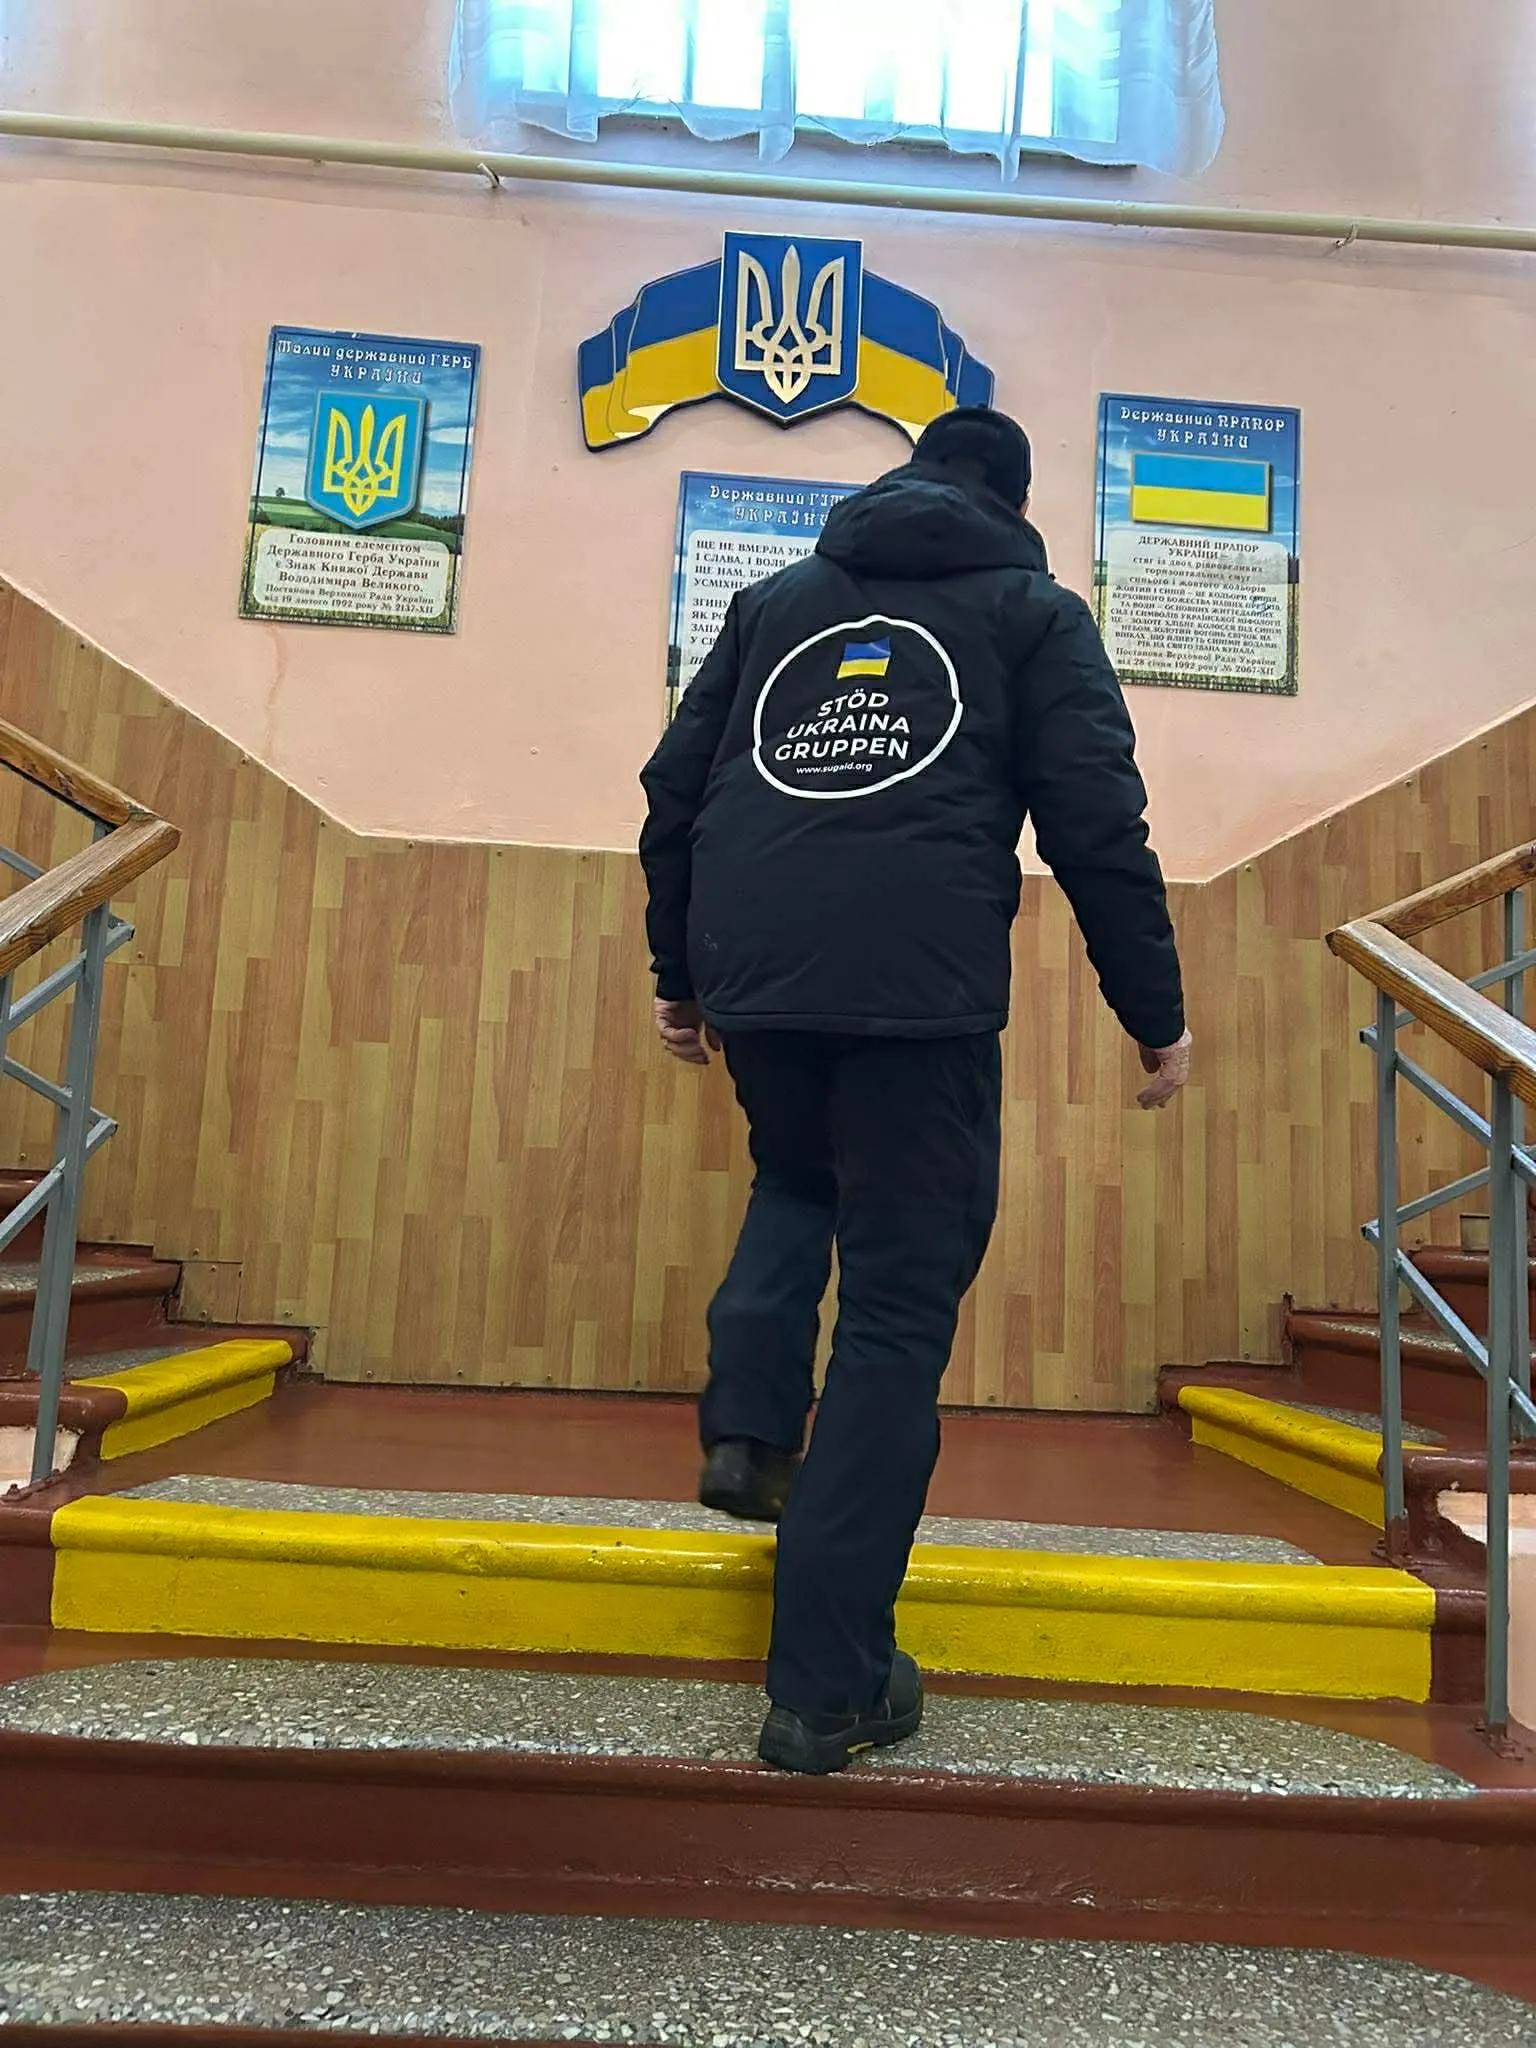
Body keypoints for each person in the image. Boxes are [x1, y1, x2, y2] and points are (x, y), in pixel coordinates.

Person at [639, 405, 1190, 1776]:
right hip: (919, 999)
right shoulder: (1033, 613)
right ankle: (826, 1688)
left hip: (759, 970)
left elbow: (674, 790)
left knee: (794, 1177)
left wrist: (680, 972)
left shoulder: (776, 603)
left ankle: (749, 1423)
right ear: (1016, 498)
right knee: (893, 1324)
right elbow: (1096, 824)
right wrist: (1155, 1015)